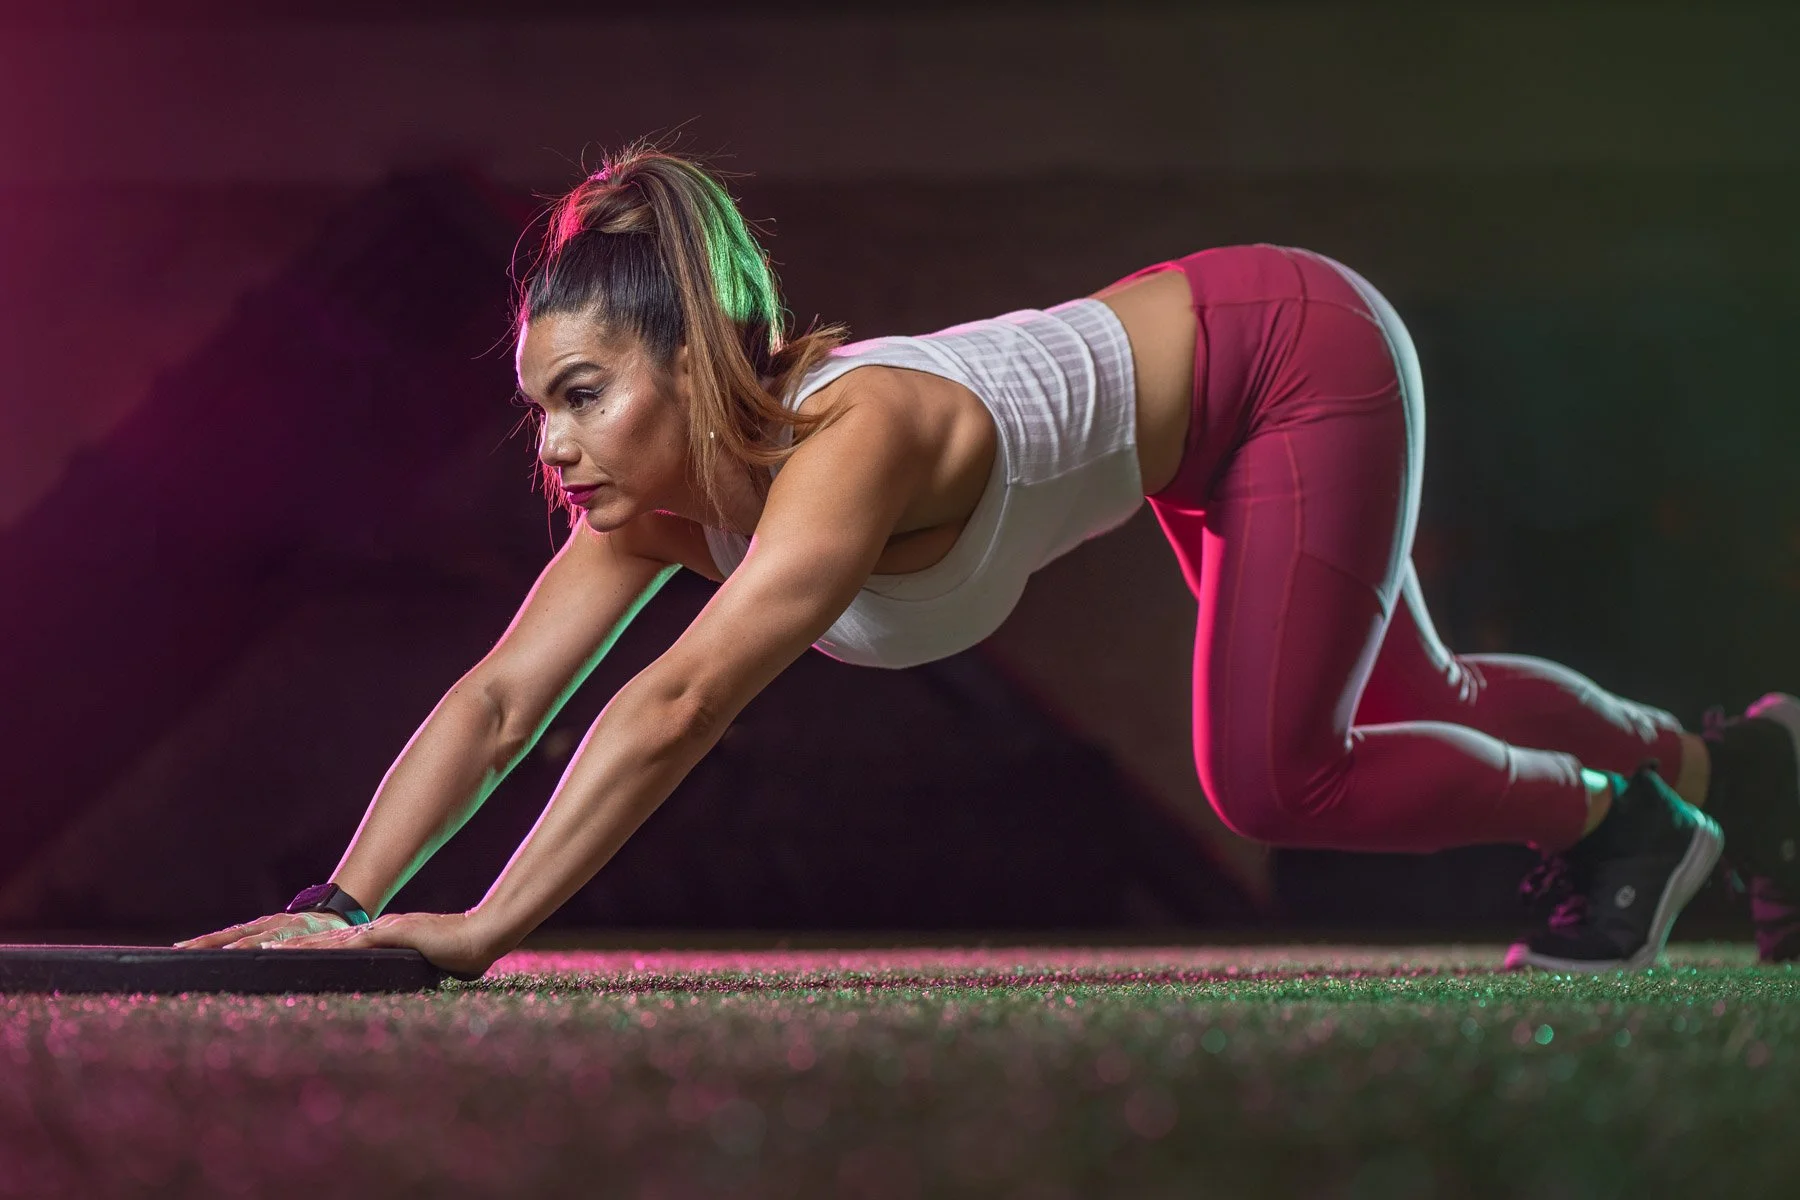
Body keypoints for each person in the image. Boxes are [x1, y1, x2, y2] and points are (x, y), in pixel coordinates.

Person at [173, 140, 1800, 979]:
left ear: (695, 363)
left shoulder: (847, 440)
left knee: (1277, 775)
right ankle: (1741, 771)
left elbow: (673, 707)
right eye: (540, 413)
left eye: (586, 396)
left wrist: (480, 929)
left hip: (1289, 353)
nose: (556, 448)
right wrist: (342, 904)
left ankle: (1626, 820)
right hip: (1200, 416)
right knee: (1417, 690)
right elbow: (505, 695)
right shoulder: (658, 511)